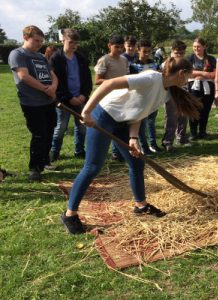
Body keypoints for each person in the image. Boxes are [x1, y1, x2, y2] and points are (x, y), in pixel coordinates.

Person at [60, 57, 202, 234]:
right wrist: (87, 111)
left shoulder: (167, 92)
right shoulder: (151, 78)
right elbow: (108, 84)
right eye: (188, 76)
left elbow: (140, 111)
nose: (188, 81)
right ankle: (70, 214)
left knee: (136, 162)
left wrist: (133, 137)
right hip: (103, 116)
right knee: (92, 167)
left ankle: (141, 206)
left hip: (123, 122)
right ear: (181, 73)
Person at [8, 25, 58, 181]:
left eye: (41, 41)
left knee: (49, 131)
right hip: (32, 103)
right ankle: (34, 169)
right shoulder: (17, 54)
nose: (39, 44)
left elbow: (53, 75)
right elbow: (24, 76)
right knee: (39, 134)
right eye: (36, 40)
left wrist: (53, 87)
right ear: (25, 37)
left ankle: (45, 160)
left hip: (48, 101)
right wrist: (45, 89)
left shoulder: (41, 57)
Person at [49, 29, 93, 162]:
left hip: (80, 98)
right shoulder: (56, 58)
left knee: (81, 126)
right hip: (63, 101)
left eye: (76, 43)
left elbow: (87, 79)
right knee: (60, 128)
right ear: (63, 40)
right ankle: (54, 152)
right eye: (71, 42)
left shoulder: (81, 58)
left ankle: (79, 150)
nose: (73, 45)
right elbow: (56, 80)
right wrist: (68, 97)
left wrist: (83, 95)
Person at [94, 34, 129, 161]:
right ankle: (113, 153)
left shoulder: (124, 60)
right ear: (109, 46)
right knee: (110, 125)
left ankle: (119, 152)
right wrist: (113, 82)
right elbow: (97, 80)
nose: (119, 50)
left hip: (122, 96)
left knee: (121, 124)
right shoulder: (104, 60)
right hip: (108, 97)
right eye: (116, 47)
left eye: (121, 47)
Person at [131, 39, 162, 155]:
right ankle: (144, 147)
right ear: (138, 50)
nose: (147, 54)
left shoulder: (154, 64)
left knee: (151, 122)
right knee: (141, 124)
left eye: (149, 51)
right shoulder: (133, 66)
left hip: (152, 97)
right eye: (144, 51)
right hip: (139, 98)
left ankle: (153, 144)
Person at [161, 40, 190, 151]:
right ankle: (168, 141)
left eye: (181, 53)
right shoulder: (166, 64)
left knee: (183, 115)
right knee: (171, 118)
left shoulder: (185, 63)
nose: (179, 55)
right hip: (170, 93)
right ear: (172, 51)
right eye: (177, 53)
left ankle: (181, 138)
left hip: (183, 90)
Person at [187, 38, 216, 140]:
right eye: (194, 46)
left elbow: (215, 73)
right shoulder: (190, 58)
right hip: (193, 87)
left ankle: (202, 132)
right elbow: (188, 72)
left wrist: (206, 76)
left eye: (198, 46)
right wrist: (202, 73)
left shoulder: (211, 59)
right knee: (194, 109)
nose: (196, 48)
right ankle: (193, 133)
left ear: (204, 47)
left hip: (208, 87)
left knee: (205, 110)